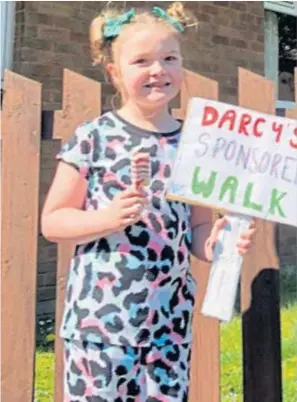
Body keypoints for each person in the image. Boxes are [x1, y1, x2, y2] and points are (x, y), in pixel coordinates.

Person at [41, 3, 256, 401]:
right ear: (115, 73)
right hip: (99, 327)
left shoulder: (194, 143)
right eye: (142, 61)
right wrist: (106, 218)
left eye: (169, 58)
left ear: (182, 67)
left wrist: (219, 244)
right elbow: (53, 221)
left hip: (167, 328)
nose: (158, 70)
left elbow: (199, 228)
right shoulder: (94, 138)